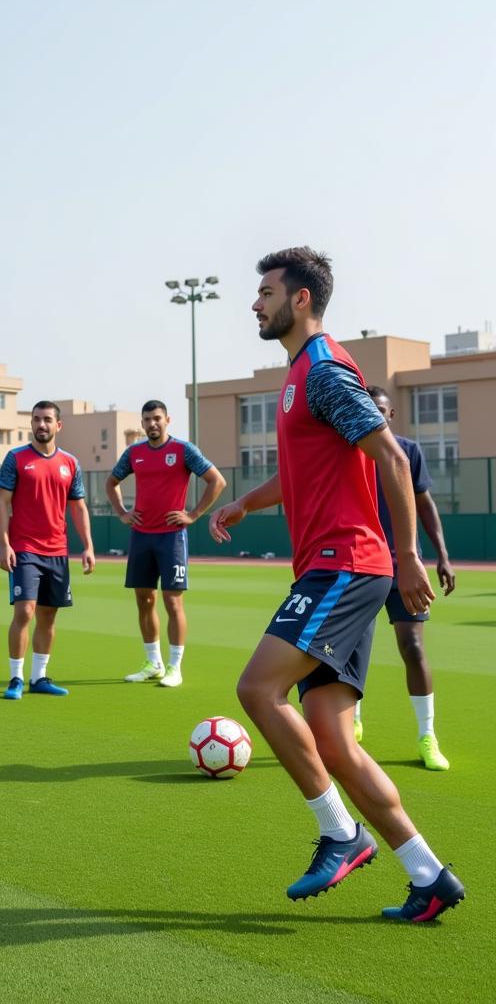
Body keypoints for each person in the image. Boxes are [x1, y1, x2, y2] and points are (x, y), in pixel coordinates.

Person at [209, 247, 464, 922]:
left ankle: (339, 833)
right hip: (336, 563)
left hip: (346, 563)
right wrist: (244, 504)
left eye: (264, 291)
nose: (254, 303)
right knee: (335, 741)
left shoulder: (322, 370)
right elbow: (303, 474)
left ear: (299, 299)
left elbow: (389, 455)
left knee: (257, 689)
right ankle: (429, 875)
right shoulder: (298, 374)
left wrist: (408, 554)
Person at [354, 386, 455, 768]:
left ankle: (427, 736)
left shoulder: (407, 451)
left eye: (381, 410)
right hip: (358, 565)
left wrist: (443, 557)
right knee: (349, 650)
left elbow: (426, 506)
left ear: (391, 414)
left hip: (402, 568)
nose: (376, 416)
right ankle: (354, 724)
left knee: (412, 647)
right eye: (369, 409)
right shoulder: (350, 450)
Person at [106, 400, 225, 687]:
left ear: (167, 420)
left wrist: (193, 514)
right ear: (143, 423)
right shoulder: (134, 453)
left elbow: (217, 481)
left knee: (173, 602)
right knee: (144, 600)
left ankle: (175, 667)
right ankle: (153, 663)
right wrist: (122, 513)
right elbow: (111, 482)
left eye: (157, 418)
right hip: (141, 536)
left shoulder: (183, 450)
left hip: (171, 538)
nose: (152, 424)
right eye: (147, 420)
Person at [0, 401, 96, 699]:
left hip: (57, 551)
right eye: (37, 419)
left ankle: (39, 678)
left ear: (58, 425)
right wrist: (4, 544)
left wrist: (88, 545)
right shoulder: (15, 458)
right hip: (24, 549)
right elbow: (1, 501)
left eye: (47, 420)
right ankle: (15, 678)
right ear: (31, 424)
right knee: (25, 611)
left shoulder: (70, 463)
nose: (41, 425)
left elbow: (78, 506)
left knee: (49, 616)